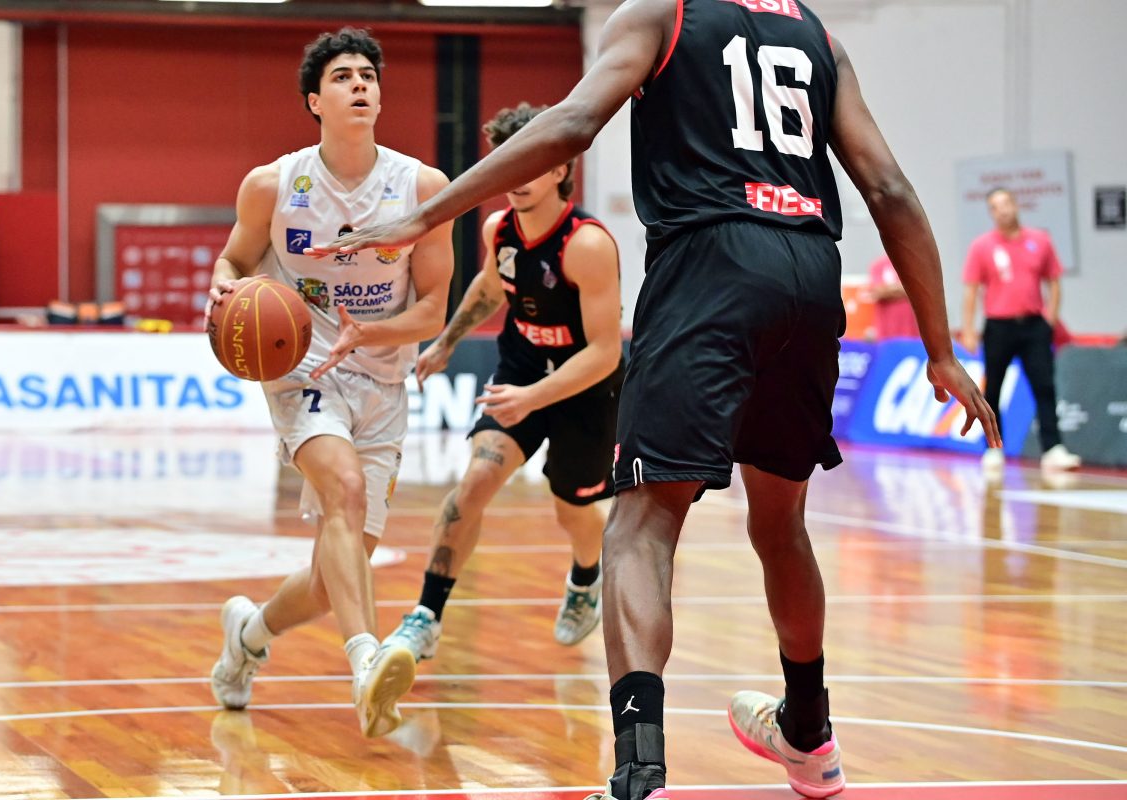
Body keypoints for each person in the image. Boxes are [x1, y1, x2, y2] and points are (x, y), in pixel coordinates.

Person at [322, 1, 1000, 797]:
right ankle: (810, 735)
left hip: (710, 266)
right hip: (812, 275)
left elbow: (574, 123)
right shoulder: (817, 33)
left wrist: (424, 214)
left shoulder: (663, 12)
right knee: (781, 523)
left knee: (641, 526)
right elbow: (887, 186)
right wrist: (940, 349)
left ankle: (639, 775)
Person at [205, 28, 454, 739]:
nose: (359, 84)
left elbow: (432, 309)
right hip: (303, 368)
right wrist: (223, 290)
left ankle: (248, 636)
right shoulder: (273, 185)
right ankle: (366, 660)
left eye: (368, 75)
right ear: (314, 100)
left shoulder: (422, 188)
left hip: (381, 376)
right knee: (342, 489)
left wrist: (369, 334)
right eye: (342, 76)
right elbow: (233, 260)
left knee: (330, 579)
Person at [382, 103, 624, 663]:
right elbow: (491, 287)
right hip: (521, 370)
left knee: (572, 510)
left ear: (561, 169)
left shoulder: (587, 245)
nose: (517, 177)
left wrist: (532, 399)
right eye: (510, 163)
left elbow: (605, 352)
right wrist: (446, 342)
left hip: (586, 389)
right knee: (474, 485)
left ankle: (586, 577)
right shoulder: (501, 230)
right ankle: (426, 616)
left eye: (532, 164)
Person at [960, 188, 1081, 474]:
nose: (1002, 210)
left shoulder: (1040, 240)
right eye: (995, 206)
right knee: (993, 388)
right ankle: (993, 449)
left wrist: (1050, 318)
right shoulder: (982, 246)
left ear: (1015, 205)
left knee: (1044, 386)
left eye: (1006, 203)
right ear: (991, 213)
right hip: (998, 326)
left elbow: (1053, 281)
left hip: (1034, 326)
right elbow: (971, 290)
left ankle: (1052, 449)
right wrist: (969, 329)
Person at [867, 252, 919, 339]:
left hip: (911, 332)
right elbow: (877, 292)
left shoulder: (913, 263)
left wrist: (889, 291)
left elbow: (916, 289)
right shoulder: (878, 265)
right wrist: (903, 289)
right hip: (886, 332)